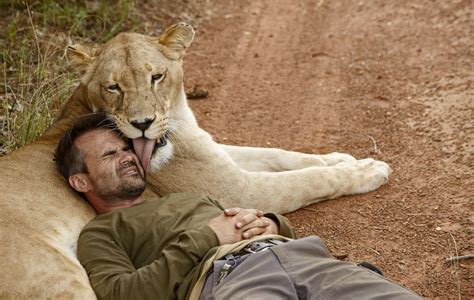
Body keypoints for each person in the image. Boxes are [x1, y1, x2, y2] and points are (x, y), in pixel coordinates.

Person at [55, 114, 422, 300]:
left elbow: (251, 222)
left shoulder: (186, 199)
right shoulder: (101, 233)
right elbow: (123, 294)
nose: (126, 157)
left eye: (124, 148)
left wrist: (273, 224)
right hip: (229, 278)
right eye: (109, 153)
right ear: (81, 181)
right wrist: (206, 237)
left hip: (301, 256)